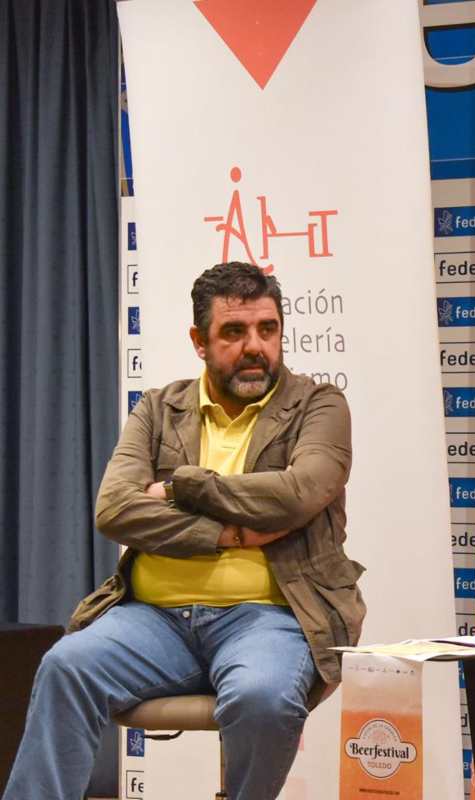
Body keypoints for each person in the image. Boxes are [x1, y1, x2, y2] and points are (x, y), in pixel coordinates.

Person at [2, 262, 363, 800]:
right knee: (65, 666)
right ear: (199, 341)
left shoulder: (318, 405)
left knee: (262, 697)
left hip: (271, 616)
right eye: (234, 332)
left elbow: (299, 493)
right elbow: (116, 510)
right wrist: (231, 535)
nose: (255, 346)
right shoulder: (158, 408)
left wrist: (182, 488)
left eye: (268, 330)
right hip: (153, 619)